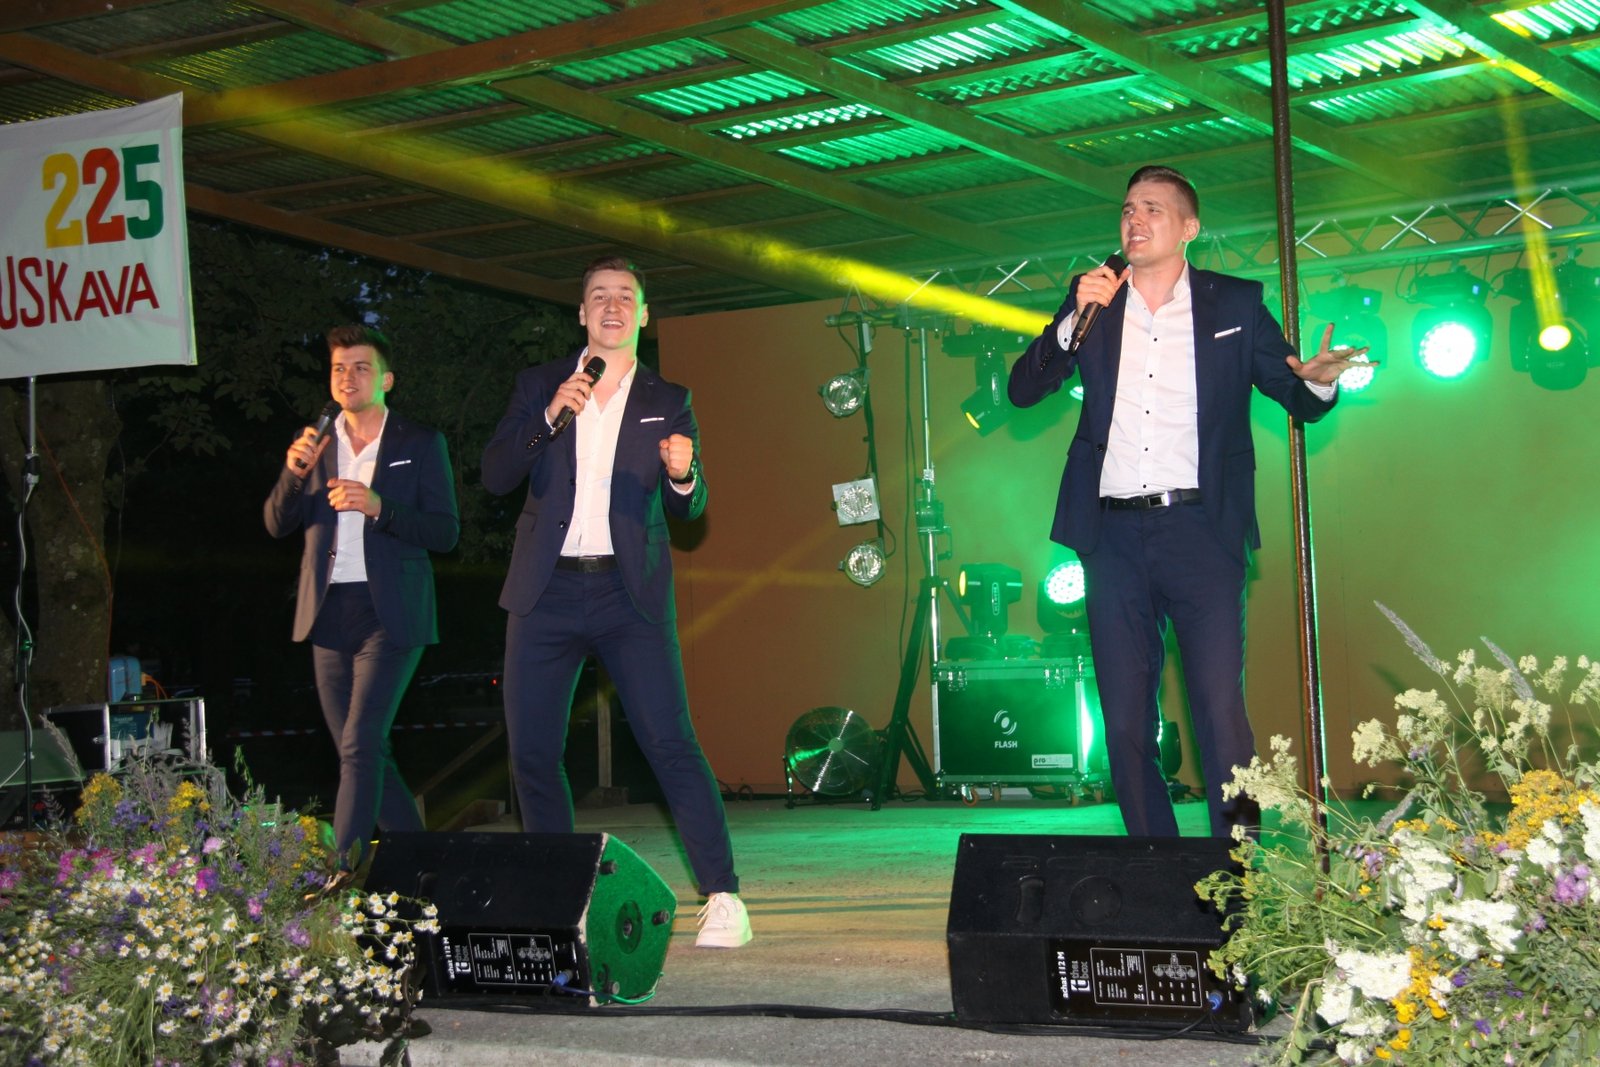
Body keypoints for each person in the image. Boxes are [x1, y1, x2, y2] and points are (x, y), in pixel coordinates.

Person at [1008, 165, 1368, 840]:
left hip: (1202, 529)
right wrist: (1069, 322)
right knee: (1123, 719)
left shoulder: (1234, 305)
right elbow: (1023, 391)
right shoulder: (1093, 301)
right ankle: (1156, 864)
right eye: (1127, 209)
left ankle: (1241, 865)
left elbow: (1295, 393)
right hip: (1111, 535)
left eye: (1152, 209)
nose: (1134, 220)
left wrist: (1320, 383)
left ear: (1189, 228)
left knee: (1218, 709)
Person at [481, 255, 751, 948]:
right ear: (581, 313)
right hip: (545, 590)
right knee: (533, 752)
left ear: (643, 315)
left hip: (628, 593)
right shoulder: (540, 385)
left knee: (670, 742)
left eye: (625, 297)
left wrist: (684, 477)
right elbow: (496, 473)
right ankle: (558, 898)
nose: (611, 306)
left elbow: (689, 507)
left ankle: (723, 895)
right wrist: (550, 415)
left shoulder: (670, 396)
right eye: (598, 296)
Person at [264, 324, 459, 889]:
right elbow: (275, 523)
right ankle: (427, 868)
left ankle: (340, 873)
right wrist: (293, 472)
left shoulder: (419, 443)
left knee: (358, 744)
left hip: (390, 612)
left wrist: (379, 506)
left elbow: (445, 532)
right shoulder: (316, 445)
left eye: (360, 367)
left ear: (386, 380)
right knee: (366, 751)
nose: (347, 377)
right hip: (328, 612)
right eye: (338, 369)